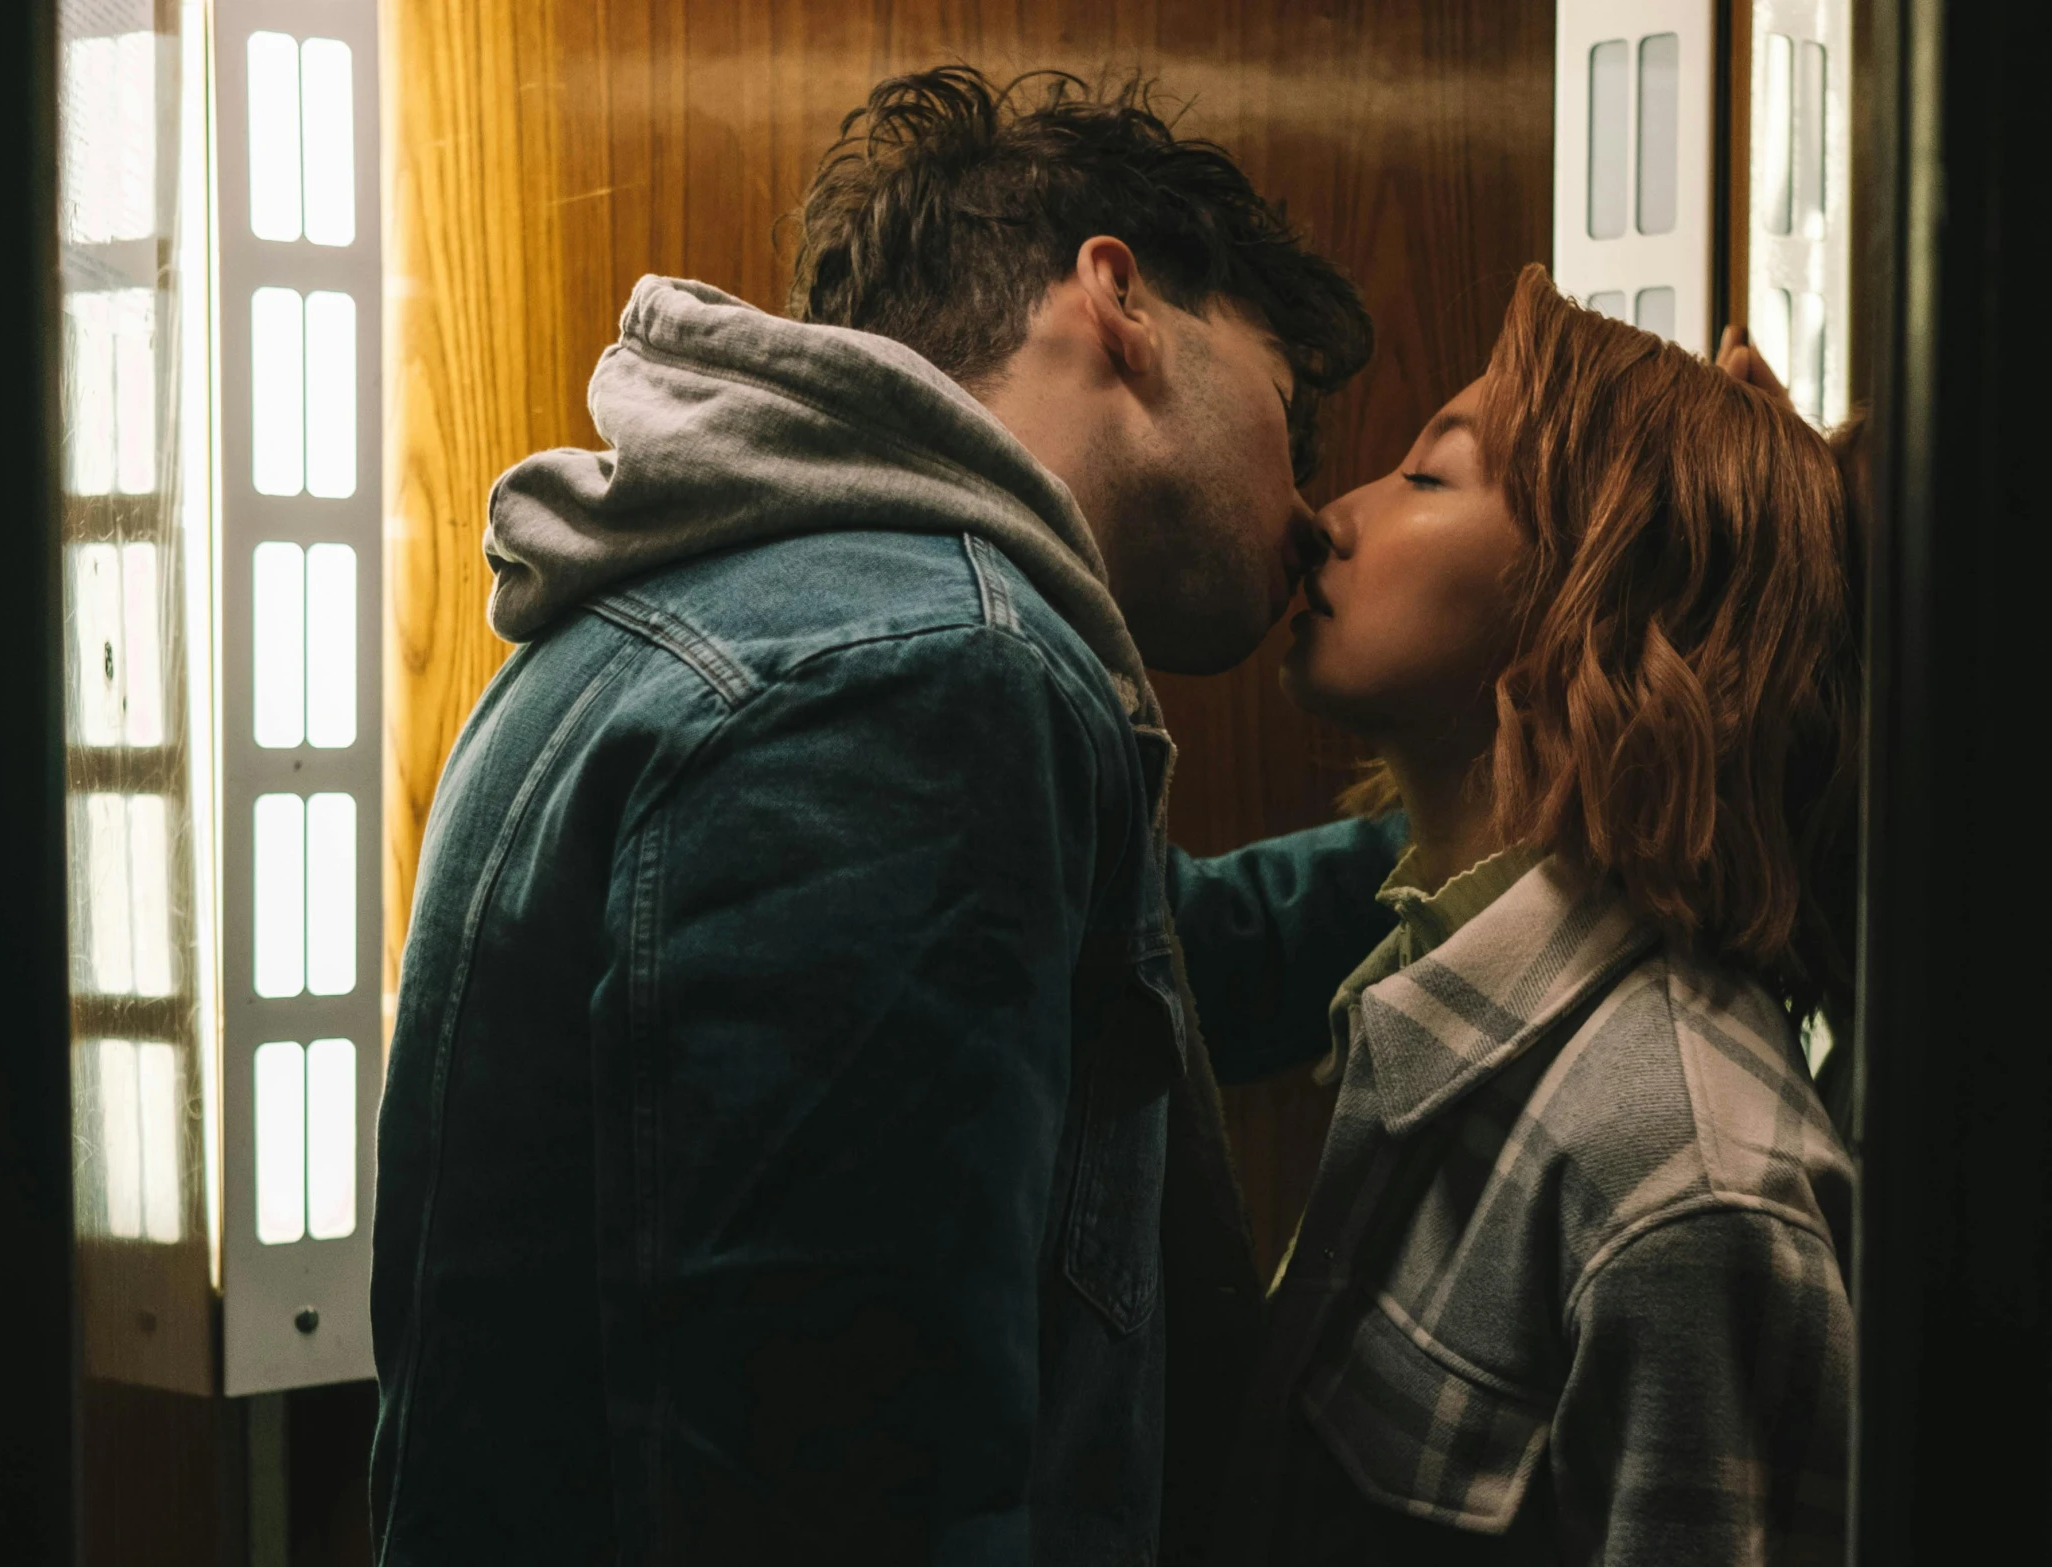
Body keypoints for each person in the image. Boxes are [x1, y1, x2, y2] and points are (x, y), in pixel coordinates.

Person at [367, 67, 1402, 1565]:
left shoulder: (734, 605)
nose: (1311, 502)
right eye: (1290, 415)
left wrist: (1544, 817)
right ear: (1117, 298)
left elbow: (1158, 966)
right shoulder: (924, 674)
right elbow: (844, 1492)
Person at [1217, 264, 1860, 1564]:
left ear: (1595, 596)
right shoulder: (1420, 966)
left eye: (1426, 476)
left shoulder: (1686, 1180)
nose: (1328, 519)